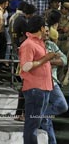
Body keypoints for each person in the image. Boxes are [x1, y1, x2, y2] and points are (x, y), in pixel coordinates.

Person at [18, 15, 57, 144]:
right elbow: (26, 66)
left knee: (35, 123)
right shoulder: (28, 44)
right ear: (41, 27)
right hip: (35, 88)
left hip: (43, 87)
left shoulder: (38, 42)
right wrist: (45, 59)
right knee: (32, 124)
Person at [41, 24, 68, 144]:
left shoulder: (52, 45)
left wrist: (49, 61)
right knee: (47, 120)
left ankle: (37, 114)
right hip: (40, 83)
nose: (47, 33)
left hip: (53, 81)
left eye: (48, 32)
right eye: (45, 31)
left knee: (63, 106)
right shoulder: (33, 45)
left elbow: (64, 60)